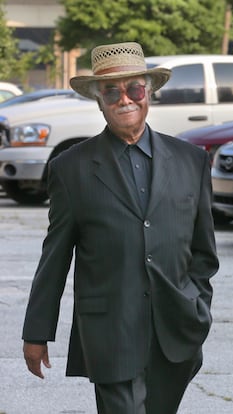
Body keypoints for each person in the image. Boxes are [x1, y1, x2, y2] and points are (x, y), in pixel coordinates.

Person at [22, 42, 219, 414]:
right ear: (99, 100)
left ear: (149, 93)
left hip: (176, 330)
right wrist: (36, 332)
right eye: (111, 91)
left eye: (135, 89)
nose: (124, 99)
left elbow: (203, 253)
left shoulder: (191, 161)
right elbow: (56, 256)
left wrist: (197, 305)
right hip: (110, 332)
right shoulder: (71, 168)